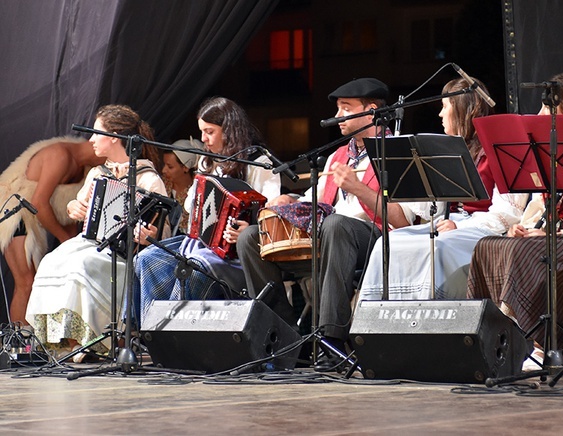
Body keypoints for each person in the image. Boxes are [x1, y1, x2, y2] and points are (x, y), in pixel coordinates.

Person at [236, 77, 431, 365]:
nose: (337, 116)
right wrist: (291, 202)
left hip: (375, 241)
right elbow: (316, 202)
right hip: (328, 241)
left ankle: (331, 338)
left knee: (337, 224)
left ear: (371, 111)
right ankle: (284, 337)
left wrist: (358, 188)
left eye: (345, 108)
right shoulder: (336, 157)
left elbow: (403, 222)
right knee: (251, 238)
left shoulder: (398, 151)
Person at [466, 73, 563, 360]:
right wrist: (523, 226)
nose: (540, 116)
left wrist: (547, 234)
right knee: (487, 246)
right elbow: (538, 208)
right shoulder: (547, 152)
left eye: (548, 109)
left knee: (528, 251)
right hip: (544, 234)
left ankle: (536, 344)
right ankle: (483, 337)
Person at [357, 77, 527, 301]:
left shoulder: (498, 149)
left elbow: (507, 213)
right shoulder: (449, 149)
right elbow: (431, 210)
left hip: (483, 230)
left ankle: (429, 316)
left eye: (445, 107)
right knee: (388, 242)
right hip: (450, 226)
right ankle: (383, 318)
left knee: (440, 246)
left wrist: (459, 224)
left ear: (463, 109)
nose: (440, 114)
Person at [25, 105, 167, 356]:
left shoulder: (147, 178)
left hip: (125, 253)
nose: (90, 139)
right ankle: (62, 342)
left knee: (83, 265)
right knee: (51, 260)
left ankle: (93, 341)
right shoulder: (97, 174)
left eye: (96, 132)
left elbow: (164, 231)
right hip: (92, 242)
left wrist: (150, 235)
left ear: (113, 137)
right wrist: (74, 207)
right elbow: (77, 205)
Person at [134, 97, 279, 325]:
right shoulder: (207, 161)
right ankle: (149, 331)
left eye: (209, 131)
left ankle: (175, 331)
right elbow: (192, 205)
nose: (203, 139)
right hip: (201, 244)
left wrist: (249, 228)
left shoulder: (258, 162)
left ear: (229, 131)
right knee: (147, 258)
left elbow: (270, 210)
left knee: (193, 266)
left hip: (238, 254)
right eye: (202, 131)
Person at [0, 137, 105, 325]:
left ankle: (34, 341)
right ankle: (19, 346)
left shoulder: (87, 170)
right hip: (13, 210)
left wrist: (74, 244)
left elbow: (62, 211)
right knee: (26, 282)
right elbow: (39, 202)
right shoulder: (60, 155)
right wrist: (65, 240)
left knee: (40, 282)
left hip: (31, 213)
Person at [161, 139, 199, 234]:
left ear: (185, 167)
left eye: (170, 167)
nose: (164, 170)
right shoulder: (162, 184)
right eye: (164, 165)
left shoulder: (195, 192)